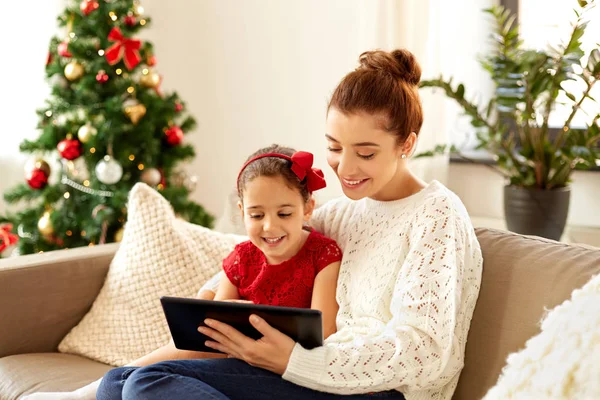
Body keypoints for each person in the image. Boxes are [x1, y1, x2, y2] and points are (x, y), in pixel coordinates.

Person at [95, 48, 484, 400]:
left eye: (365, 153)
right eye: (334, 147)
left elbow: (424, 352)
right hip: (307, 374)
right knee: (116, 383)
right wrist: (213, 297)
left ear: (407, 145)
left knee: (146, 384)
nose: (344, 169)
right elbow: (269, 253)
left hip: (378, 391)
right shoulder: (340, 215)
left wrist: (295, 362)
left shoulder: (437, 215)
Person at [24, 145, 342, 400]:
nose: (270, 226)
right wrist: (224, 316)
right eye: (257, 214)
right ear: (242, 212)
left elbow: (323, 332)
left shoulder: (322, 254)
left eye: (284, 213)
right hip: (229, 364)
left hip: (282, 372)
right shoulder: (243, 257)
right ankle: (83, 394)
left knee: (142, 386)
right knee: (113, 384)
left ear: (308, 207)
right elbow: (212, 330)